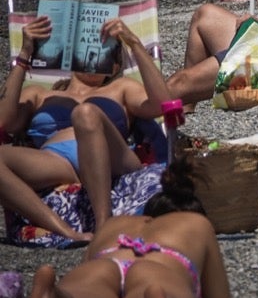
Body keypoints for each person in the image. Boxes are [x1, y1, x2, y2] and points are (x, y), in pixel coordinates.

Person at [0, 16, 175, 241]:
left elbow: (165, 104)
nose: (91, 54)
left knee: (85, 113)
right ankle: (65, 230)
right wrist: (24, 54)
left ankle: (104, 225)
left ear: (114, 67)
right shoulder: (39, 94)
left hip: (113, 157)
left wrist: (134, 44)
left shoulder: (120, 88)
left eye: (103, 50)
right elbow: (3, 122)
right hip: (57, 162)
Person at [24, 153, 234, 298]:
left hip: (106, 261)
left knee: (83, 297)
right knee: (160, 296)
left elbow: (87, 263)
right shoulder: (197, 224)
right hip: (158, 270)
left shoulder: (115, 223)